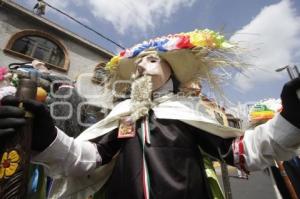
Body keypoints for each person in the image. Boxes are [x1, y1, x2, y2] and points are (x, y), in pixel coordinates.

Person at [0, 29, 300, 199]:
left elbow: (242, 152)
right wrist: (48, 138)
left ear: (171, 71)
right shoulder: (123, 114)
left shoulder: (186, 111)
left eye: (152, 60)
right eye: (139, 64)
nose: (142, 67)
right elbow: (88, 158)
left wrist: (290, 121)